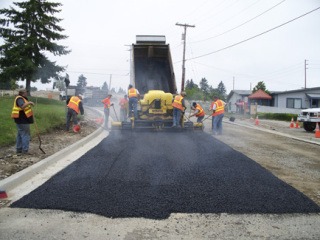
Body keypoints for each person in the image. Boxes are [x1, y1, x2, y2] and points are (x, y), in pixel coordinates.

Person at [11, 89, 34, 155]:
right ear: (23, 93)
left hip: (21, 119)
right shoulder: (20, 99)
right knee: (25, 135)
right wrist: (29, 103)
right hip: (22, 120)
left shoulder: (22, 98)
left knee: (20, 134)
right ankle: (25, 150)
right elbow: (22, 106)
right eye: (26, 92)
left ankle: (19, 149)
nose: (27, 93)